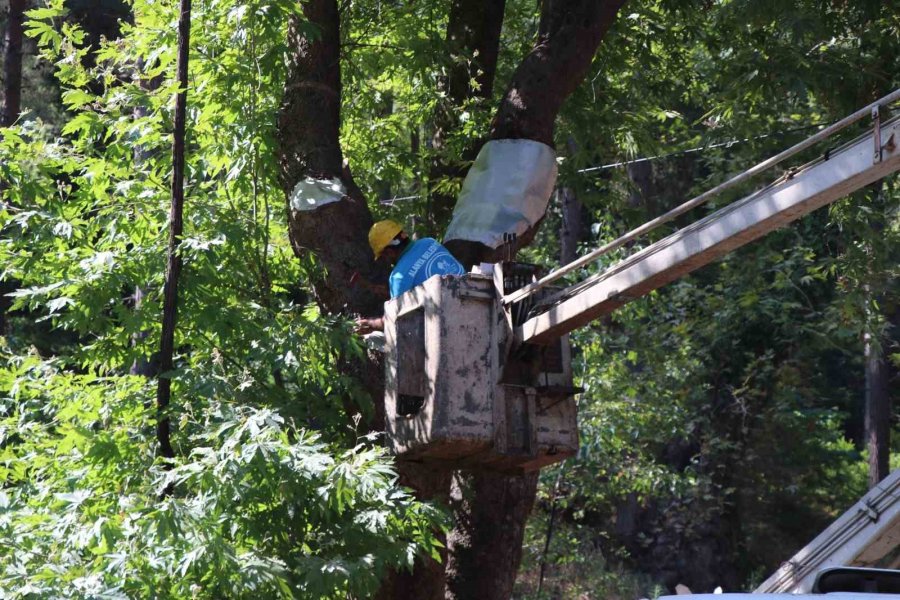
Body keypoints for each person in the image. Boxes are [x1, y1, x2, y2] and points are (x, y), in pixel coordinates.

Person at [355, 220, 465, 334]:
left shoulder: (398, 277)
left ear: (389, 252)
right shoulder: (429, 242)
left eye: (383, 257)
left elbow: (397, 321)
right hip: (469, 300)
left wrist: (370, 324)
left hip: (446, 327)